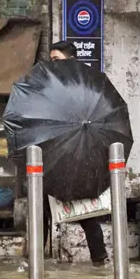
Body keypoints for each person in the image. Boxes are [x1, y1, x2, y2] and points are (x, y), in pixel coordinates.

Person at [46, 42, 109, 265]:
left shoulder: (87, 85)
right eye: (51, 60)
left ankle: (99, 261)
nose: (53, 64)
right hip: (54, 155)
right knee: (42, 209)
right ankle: (36, 261)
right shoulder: (49, 85)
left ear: (71, 60)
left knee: (86, 212)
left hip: (79, 154)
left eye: (57, 60)